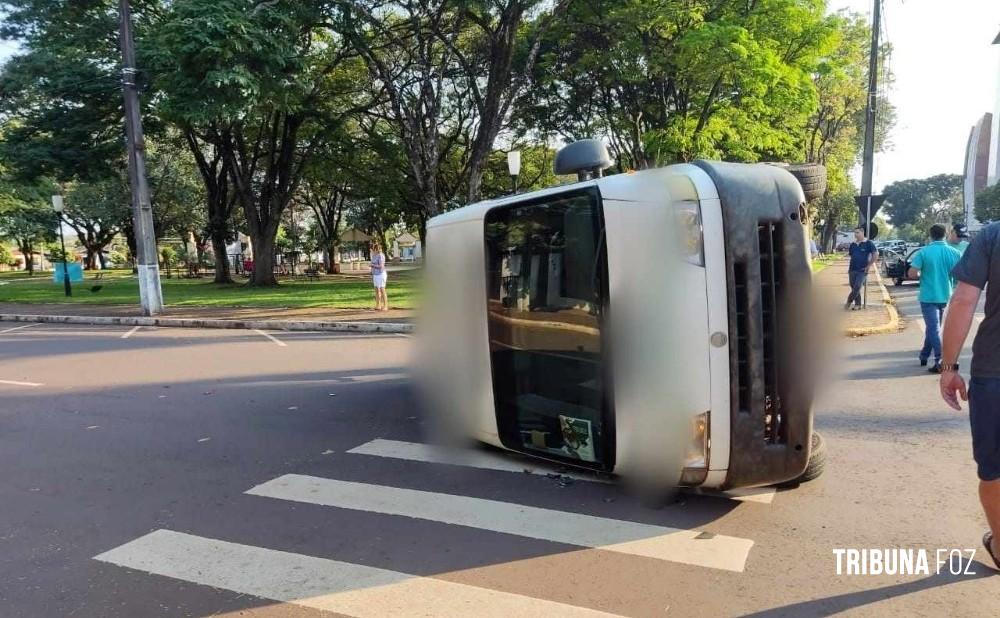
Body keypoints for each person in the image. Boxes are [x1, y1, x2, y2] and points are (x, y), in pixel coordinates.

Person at [939, 221, 1000, 571]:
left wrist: (948, 367)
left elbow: (963, 299)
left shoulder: (993, 236)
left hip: (994, 373)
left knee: (993, 471)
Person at [908, 224, 962, 373]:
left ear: (930, 235)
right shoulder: (954, 253)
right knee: (934, 328)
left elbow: (912, 273)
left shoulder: (924, 252)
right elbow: (959, 275)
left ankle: (942, 359)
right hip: (945, 295)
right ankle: (924, 355)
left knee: (933, 328)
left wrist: (921, 274)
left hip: (928, 296)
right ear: (945, 234)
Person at [845, 227, 877, 311]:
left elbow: (875, 254)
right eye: (855, 233)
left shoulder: (868, 243)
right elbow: (852, 255)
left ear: (862, 233)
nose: (855, 234)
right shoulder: (853, 244)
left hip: (863, 270)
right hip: (852, 269)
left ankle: (848, 302)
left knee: (858, 286)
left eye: (857, 232)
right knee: (853, 287)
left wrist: (869, 265)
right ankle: (858, 304)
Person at [370, 241, 388, 311]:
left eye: (376, 248)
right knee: (376, 290)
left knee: (382, 289)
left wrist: (372, 265)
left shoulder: (381, 255)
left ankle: (385, 306)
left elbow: (381, 266)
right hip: (375, 275)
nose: (375, 250)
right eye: (375, 248)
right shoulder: (374, 255)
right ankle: (378, 305)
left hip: (381, 274)